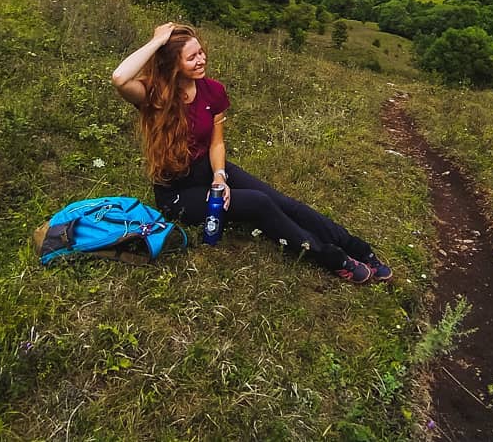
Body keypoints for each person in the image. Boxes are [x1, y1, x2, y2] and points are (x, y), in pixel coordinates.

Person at [111, 22, 392, 284]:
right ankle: (332, 258)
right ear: (173, 63)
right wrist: (158, 40)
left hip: (209, 169)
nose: (202, 59)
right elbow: (120, 78)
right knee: (259, 204)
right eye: (192, 57)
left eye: (202, 52)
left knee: (283, 202)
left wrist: (220, 176)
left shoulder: (213, 91)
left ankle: (357, 247)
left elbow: (216, 144)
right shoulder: (155, 95)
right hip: (176, 192)